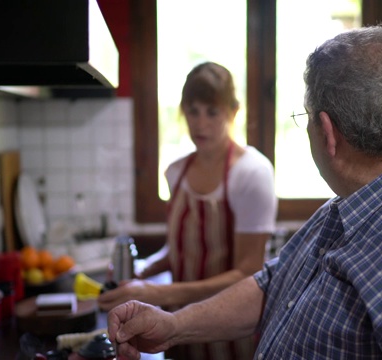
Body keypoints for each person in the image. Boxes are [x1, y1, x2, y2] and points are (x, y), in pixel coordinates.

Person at [106, 25, 382, 359]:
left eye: (305, 116)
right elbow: (272, 284)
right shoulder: (347, 207)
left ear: (326, 132)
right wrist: (174, 325)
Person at [97, 61, 278, 359]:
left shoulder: (251, 172)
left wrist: (159, 293)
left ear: (233, 112)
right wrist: (143, 269)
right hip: (177, 333)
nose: (201, 123)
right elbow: (183, 249)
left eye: (212, 111)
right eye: (192, 111)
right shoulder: (176, 172)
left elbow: (249, 272)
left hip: (230, 332)